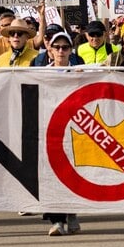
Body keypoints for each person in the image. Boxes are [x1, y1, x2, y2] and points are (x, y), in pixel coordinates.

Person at [43, 31, 82, 236]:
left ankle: (72, 212)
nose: (60, 51)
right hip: (49, 130)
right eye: (56, 47)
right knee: (51, 175)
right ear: (49, 49)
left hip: (73, 131)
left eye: (65, 47)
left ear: (70, 50)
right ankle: (57, 220)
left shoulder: (78, 73)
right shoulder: (41, 74)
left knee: (71, 175)